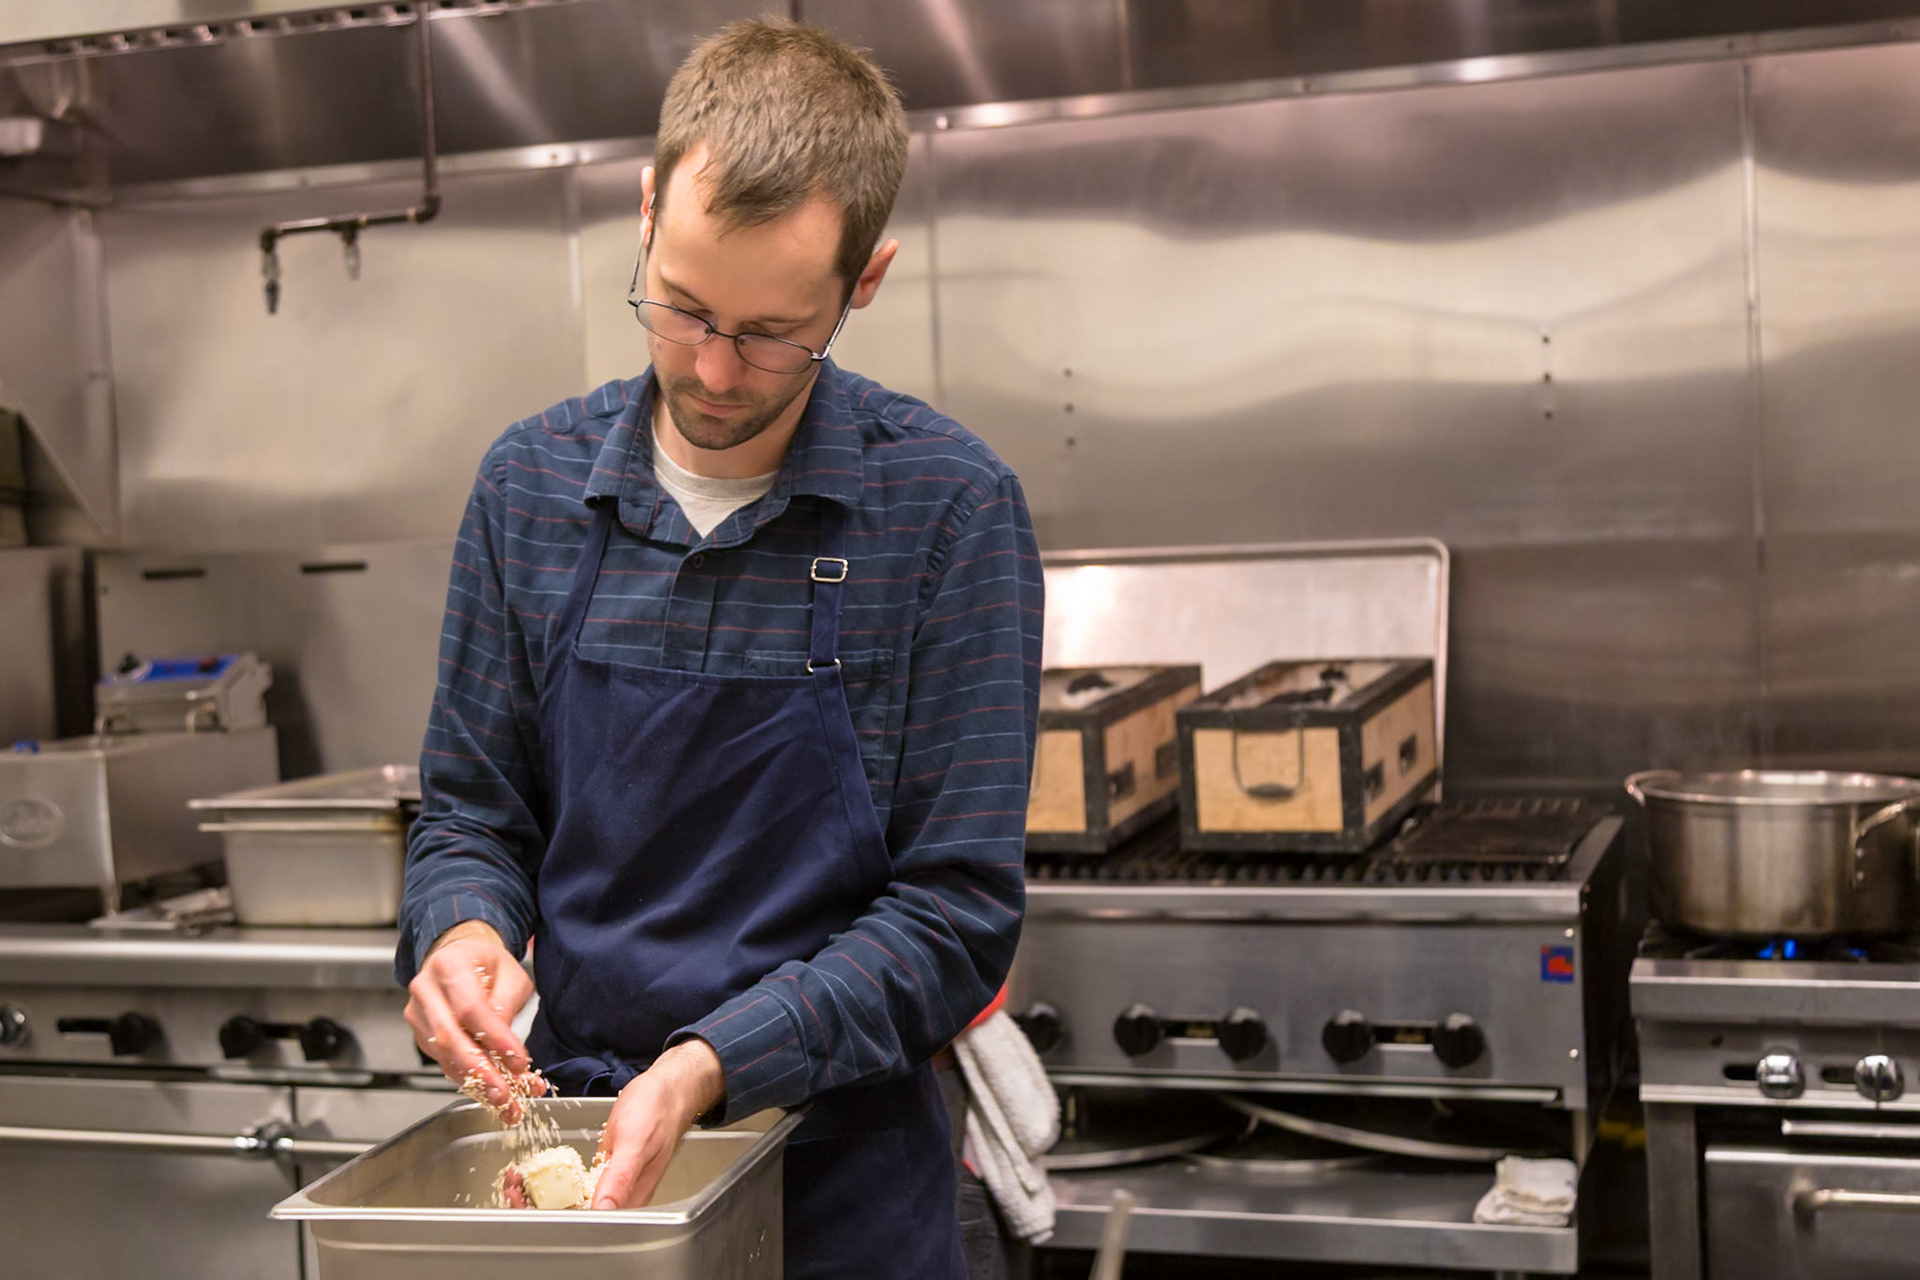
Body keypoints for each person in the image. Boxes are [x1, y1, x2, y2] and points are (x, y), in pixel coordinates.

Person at [394, 18, 1043, 1279]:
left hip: (842, 1191)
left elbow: (957, 914)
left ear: (866, 281)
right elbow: (473, 809)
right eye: (680, 305)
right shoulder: (528, 485)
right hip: (579, 1166)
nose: (710, 365)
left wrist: (711, 1064)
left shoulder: (949, 511)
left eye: (769, 332)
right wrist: (461, 928)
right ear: (645, 212)